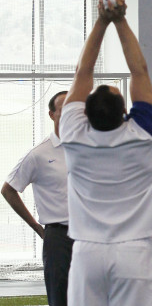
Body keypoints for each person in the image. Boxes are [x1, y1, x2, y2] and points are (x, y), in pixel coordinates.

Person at [59, 0, 152, 306]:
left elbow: (83, 71)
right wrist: (119, 19)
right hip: (134, 253)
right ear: (126, 112)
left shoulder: (72, 135)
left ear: (85, 113)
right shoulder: (143, 134)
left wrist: (101, 21)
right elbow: (140, 71)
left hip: (87, 252)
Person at [2, 91, 72, 306]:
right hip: (59, 238)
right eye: (64, 110)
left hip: (92, 236)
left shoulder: (91, 149)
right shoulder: (39, 154)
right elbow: (8, 189)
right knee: (61, 297)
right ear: (52, 115)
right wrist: (38, 228)